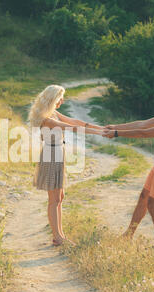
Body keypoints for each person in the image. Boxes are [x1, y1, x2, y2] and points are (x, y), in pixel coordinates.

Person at [103, 87, 154, 249]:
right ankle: (129, 235)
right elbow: (143, 124)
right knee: (143, 198)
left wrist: (117, 134)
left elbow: (144, 133)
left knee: (152, 205)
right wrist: (116, 127)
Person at [29, 85, 104, 246]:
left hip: (57, 153)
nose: (62, 100)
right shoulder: (46, 118)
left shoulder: (53, 113)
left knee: (59, 197)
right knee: (54, 199)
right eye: (60, 98)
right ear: (53, 99)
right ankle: (57, 237)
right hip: (51, 155)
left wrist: (100, 128)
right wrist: (99, 133)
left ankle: (60, 235)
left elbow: (75, 121)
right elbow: (72, 128)